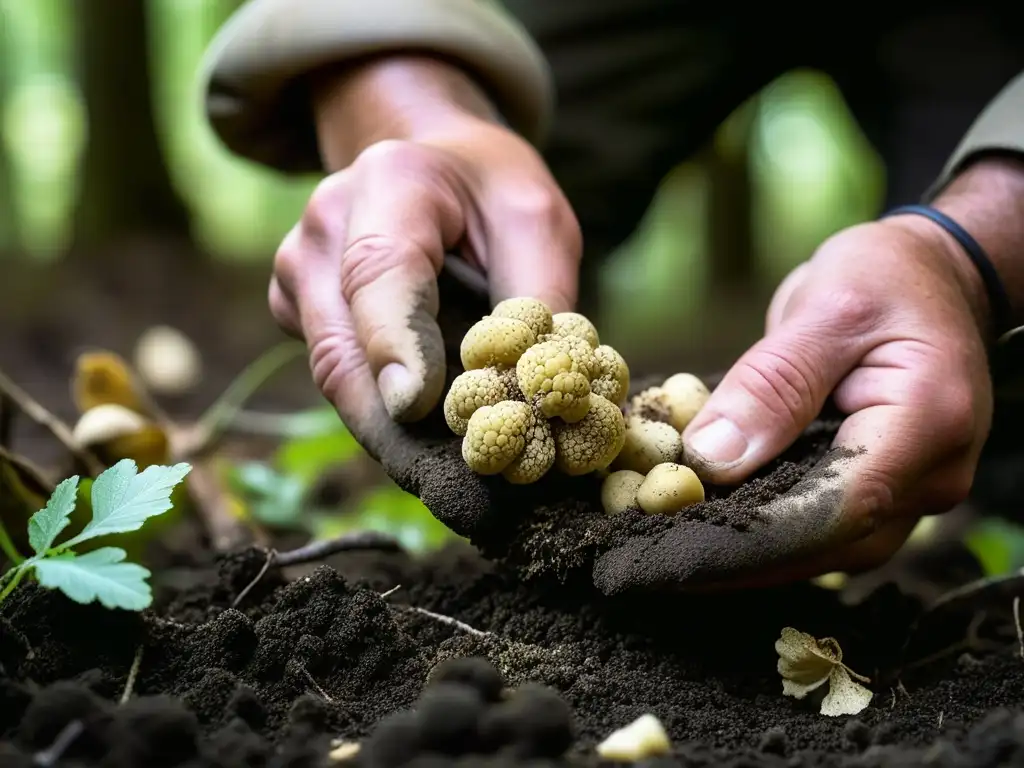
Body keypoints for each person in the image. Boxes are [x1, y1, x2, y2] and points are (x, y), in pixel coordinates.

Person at [197, 0, 1024, 585]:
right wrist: (400, 103)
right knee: (456, 245)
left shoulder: (582, 415)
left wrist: (973, 254)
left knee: (997, 414)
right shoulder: (538, 409)